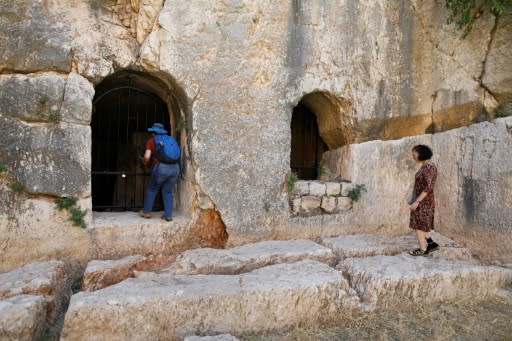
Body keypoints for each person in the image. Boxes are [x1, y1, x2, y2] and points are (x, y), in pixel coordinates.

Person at [139, 122, 180, 222]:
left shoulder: (152, 141)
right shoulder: (171, 139)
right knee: (168, 191)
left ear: (153, 132)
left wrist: (144, 161)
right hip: (175, 168)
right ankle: (168, 215)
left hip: (161, 168)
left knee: (152, 189)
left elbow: (147, 157)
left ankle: (147, 212)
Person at [408, 144, 439, 256]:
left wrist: (417, 201)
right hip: (423, 201)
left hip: (424, 202)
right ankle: (431, 244)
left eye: (414, 153)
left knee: (419, 225)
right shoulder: (425, 165)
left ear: (421, 153)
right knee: (421, 224)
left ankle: (422, 250)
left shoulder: (428, 167)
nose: (413, 156)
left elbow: (429, 187)